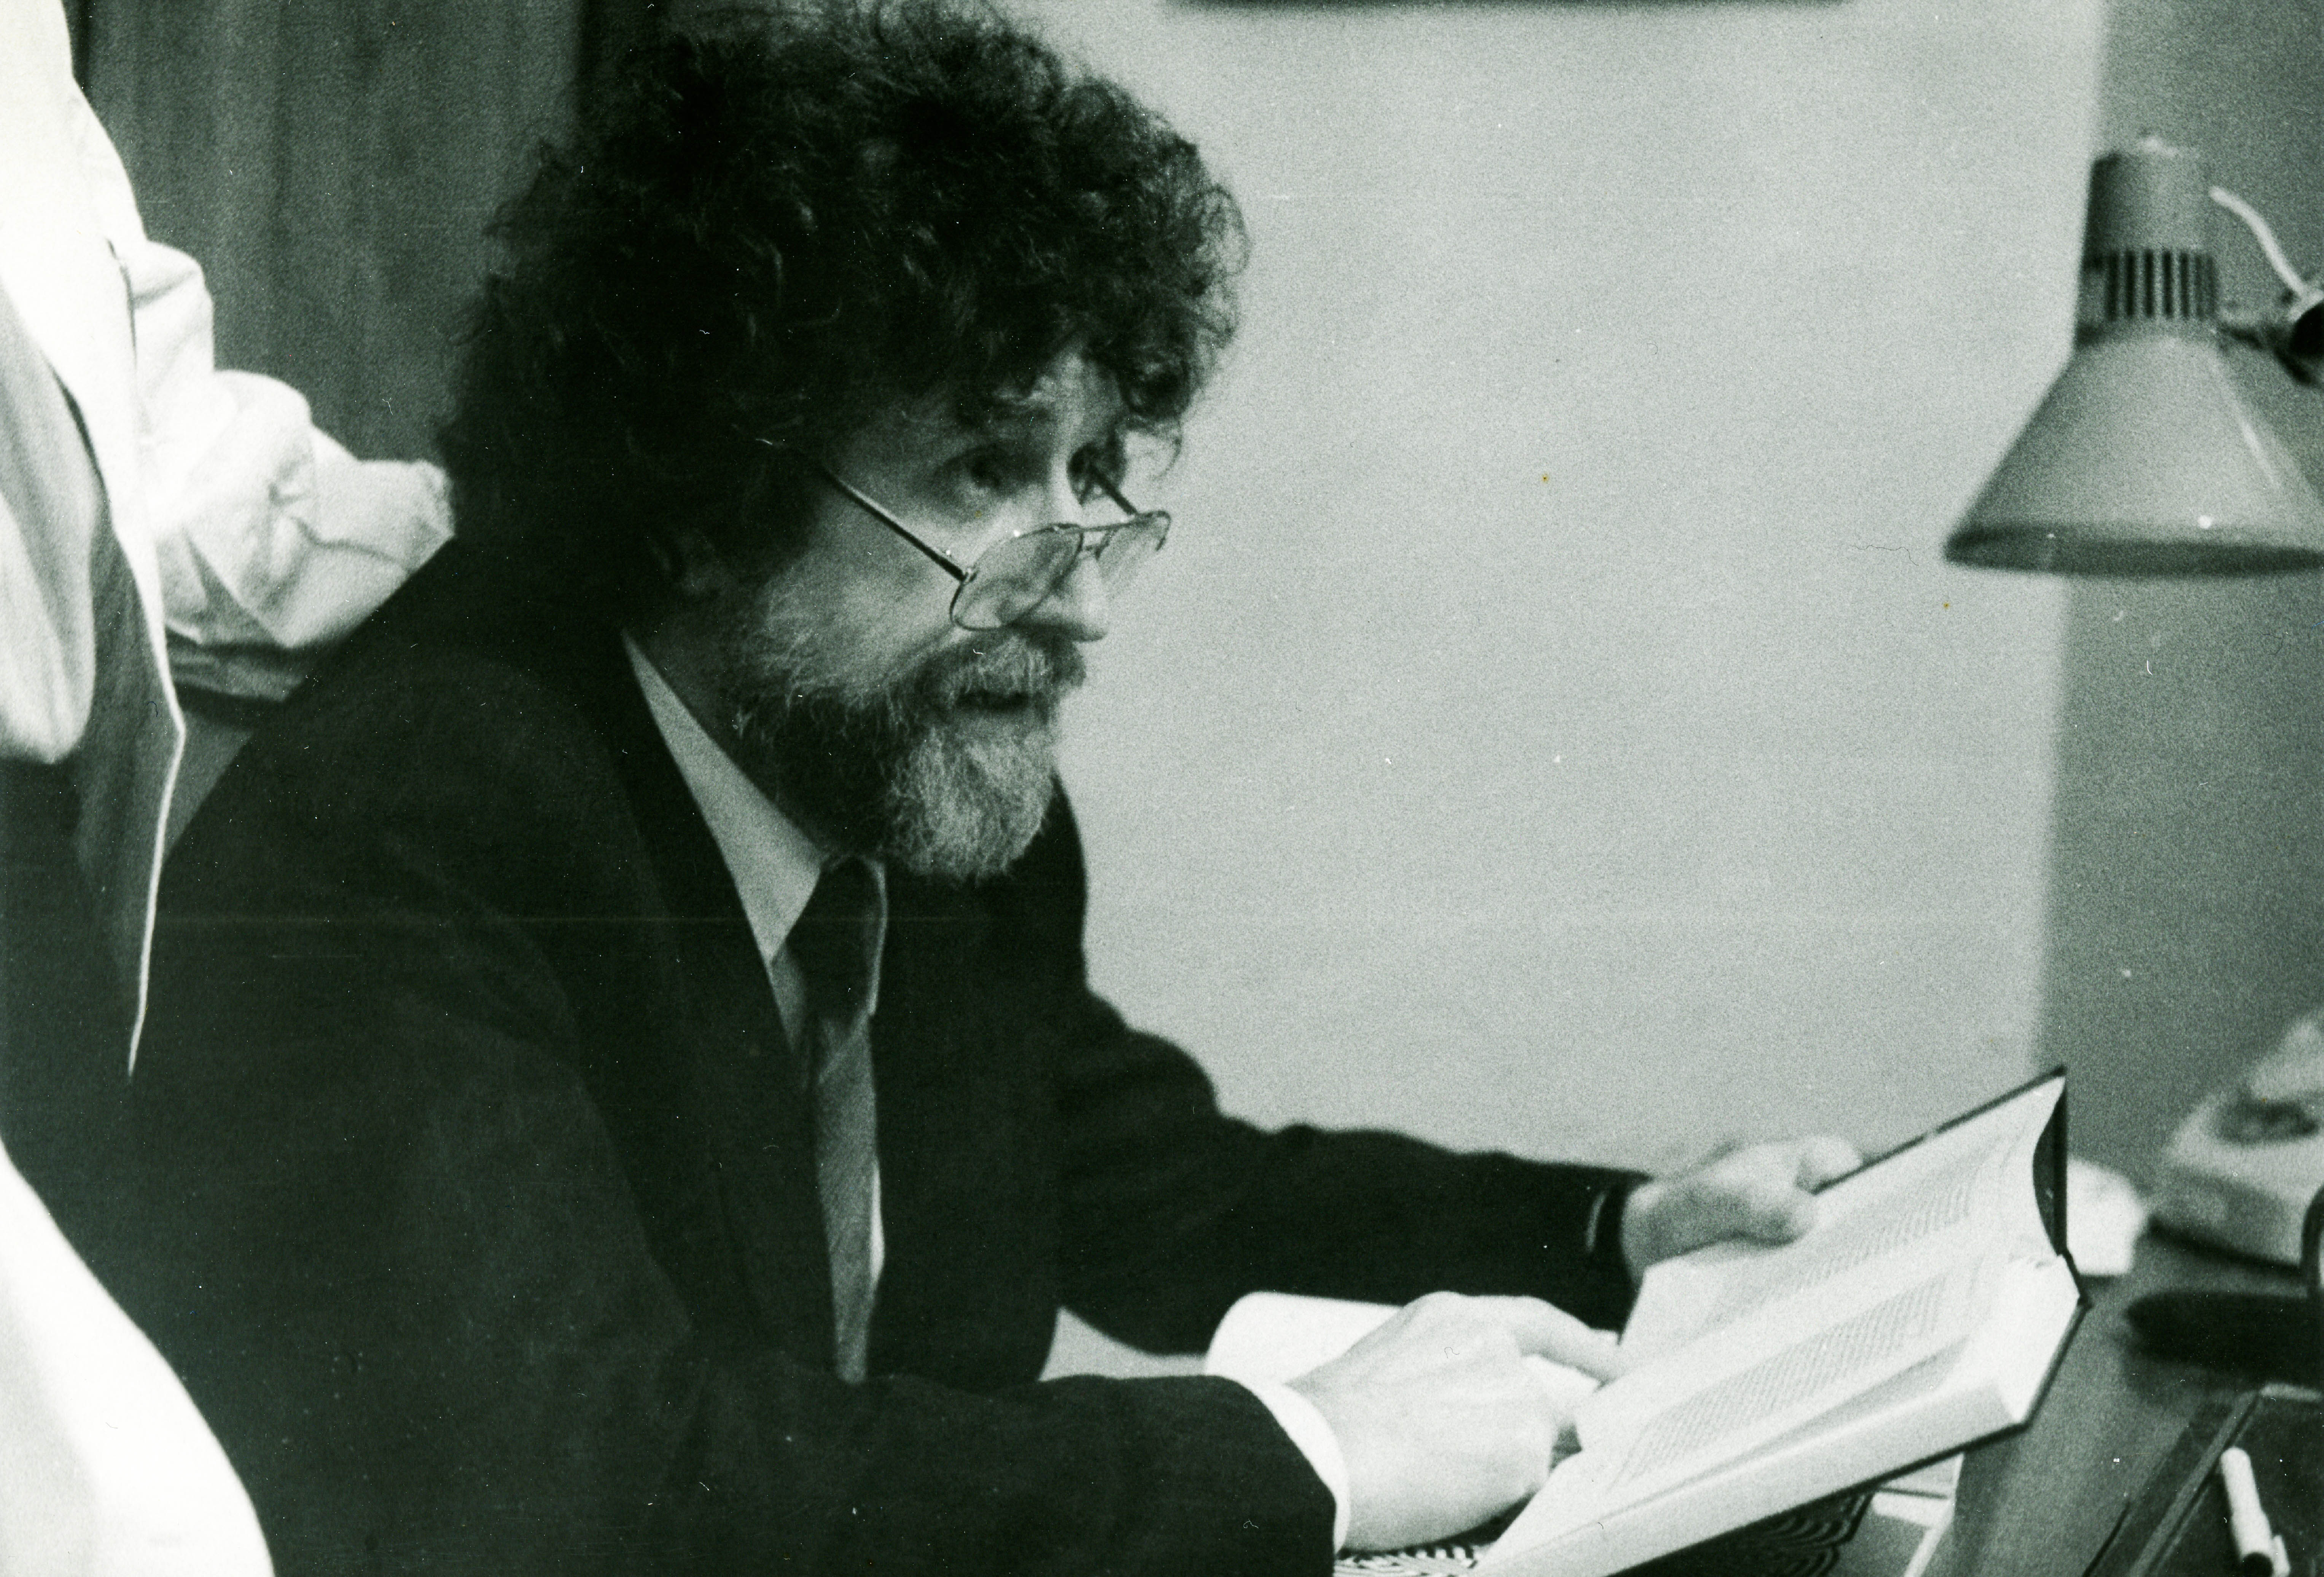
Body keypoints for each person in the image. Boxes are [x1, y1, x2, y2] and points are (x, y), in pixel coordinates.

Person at [13, 5, 1856, 1574]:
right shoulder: (426, 816)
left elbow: (1164, 1190)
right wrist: (1308, 1456)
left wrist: (1618, 1234)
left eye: (1098, 473)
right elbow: (598, 1482)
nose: (1077, 592)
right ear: (703, 492)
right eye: (982, 471)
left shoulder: (925, 783)